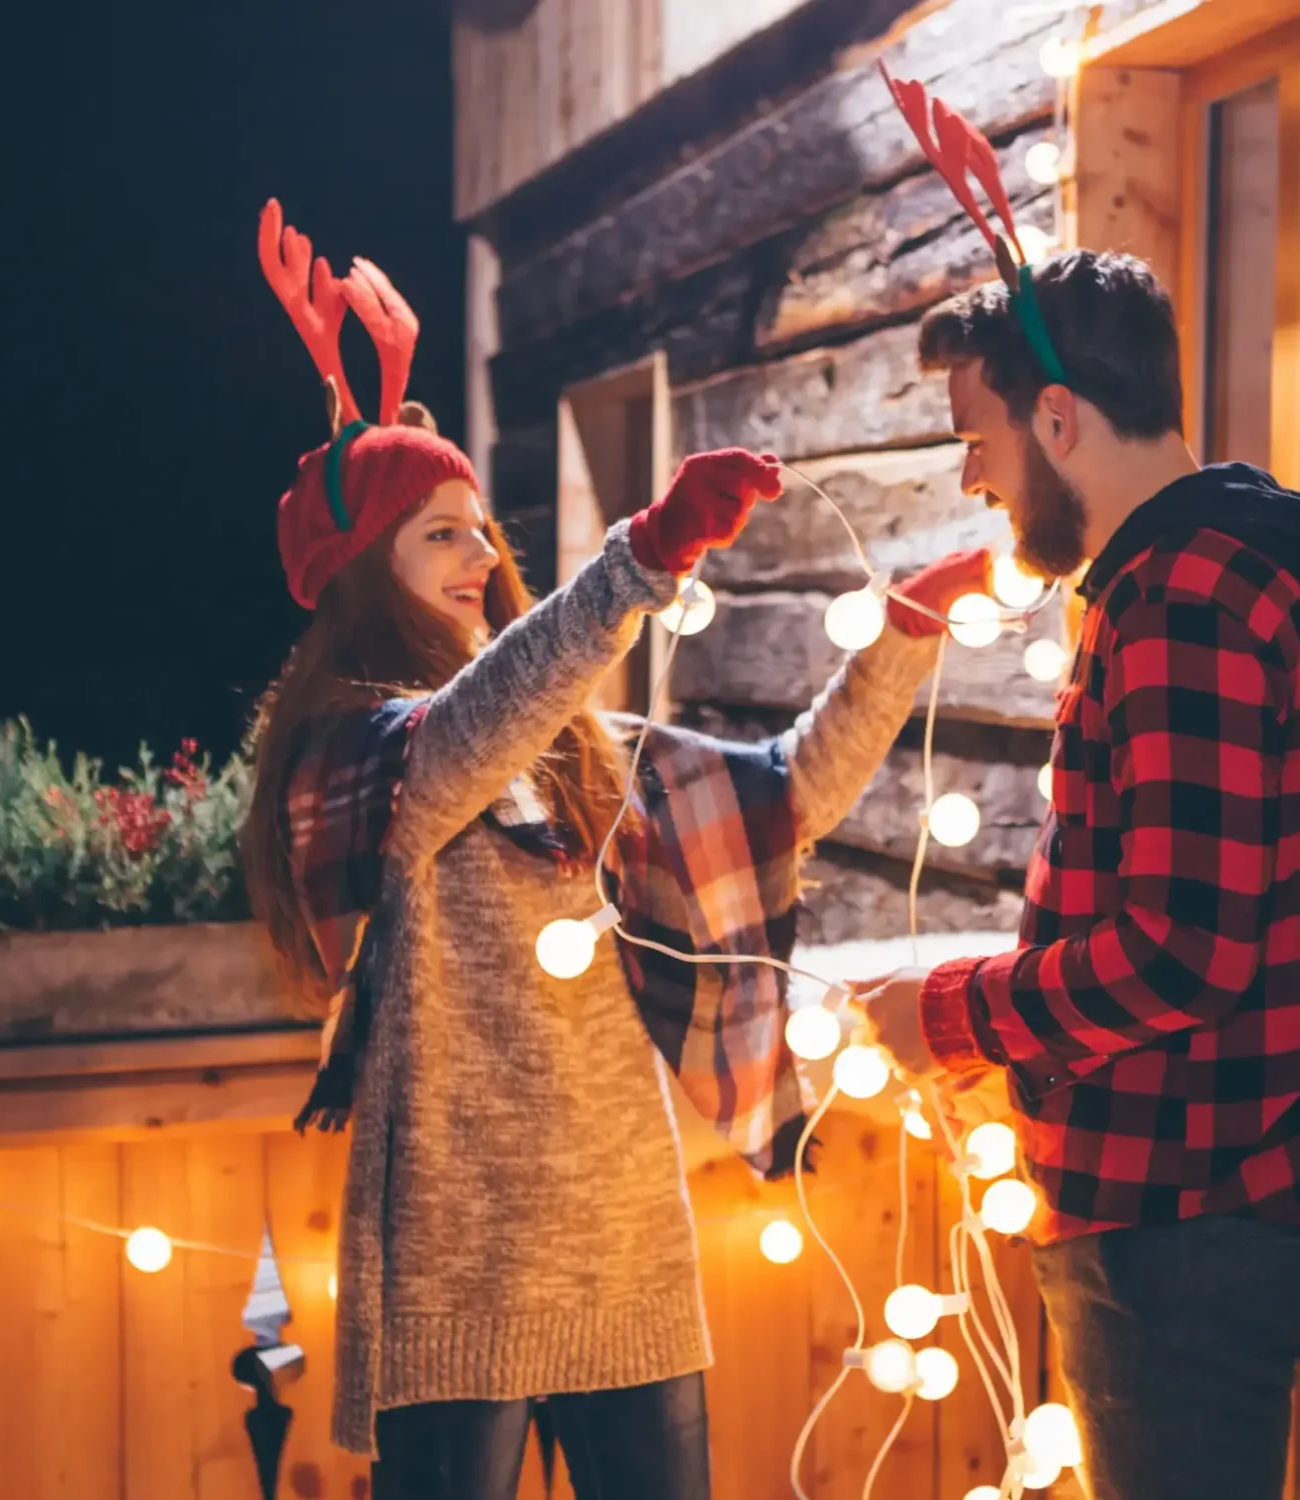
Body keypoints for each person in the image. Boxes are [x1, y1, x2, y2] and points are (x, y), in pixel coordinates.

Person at [238, 200, 990, 1499]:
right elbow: (463, 728)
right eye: (439, 533)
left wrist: (903, 637)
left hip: (629, 1253)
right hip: (456, 1279)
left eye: (482, 528)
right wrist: (637, 562)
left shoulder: (567, 748)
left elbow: (781, 798)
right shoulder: (357, 760)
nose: (480, 554)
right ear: (364, 571)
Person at [852, 244, 1300, 1500]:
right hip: (1215, 1191)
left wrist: (951, 1014)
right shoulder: (1212, 566)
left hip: (1187, 1216)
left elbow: (1182, 954)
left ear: (1058, 419)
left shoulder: (1185, 607)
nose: (974, 475)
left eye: (978, 437)